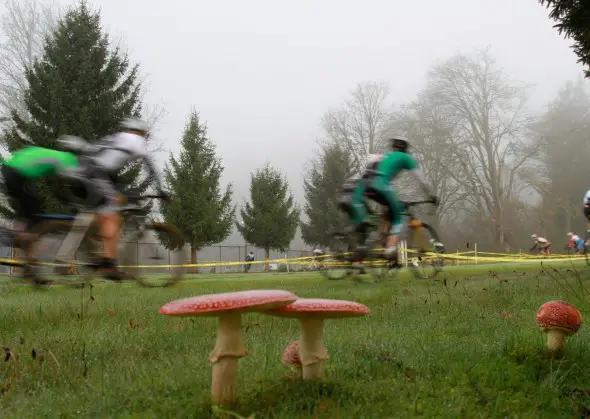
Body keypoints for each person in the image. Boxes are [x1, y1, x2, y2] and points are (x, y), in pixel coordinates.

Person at [57, 117, 169, 280]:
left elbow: (99, 157)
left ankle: (82, 255)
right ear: (139, 131)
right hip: (95, 173)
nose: (145, 139)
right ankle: (108, 263)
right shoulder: (135, 140)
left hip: (88, 171)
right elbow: (150, 168)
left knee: (95, 216)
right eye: (145, 135)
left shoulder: (116, 138)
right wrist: (161, 191)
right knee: (112, 213)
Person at [0, 144, 84, 282]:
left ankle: (28, 265)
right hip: (16, 175)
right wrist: (73, 202)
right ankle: (17, 236)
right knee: (34, 209)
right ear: (77, 156)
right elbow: (61, 185)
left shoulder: (54, 155)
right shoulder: (68, 159)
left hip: (10, 171)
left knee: (30, 210)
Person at [359, 137, 437, 261]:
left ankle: (376, 240)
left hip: (367, 186)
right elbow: (422, 180)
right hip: (381, 185)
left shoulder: (386, 156)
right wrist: (432, 196)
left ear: (394, 147)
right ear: (405, 149)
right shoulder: (406, 158)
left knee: (387, 212)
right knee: (398, 218)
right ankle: (390, 249)